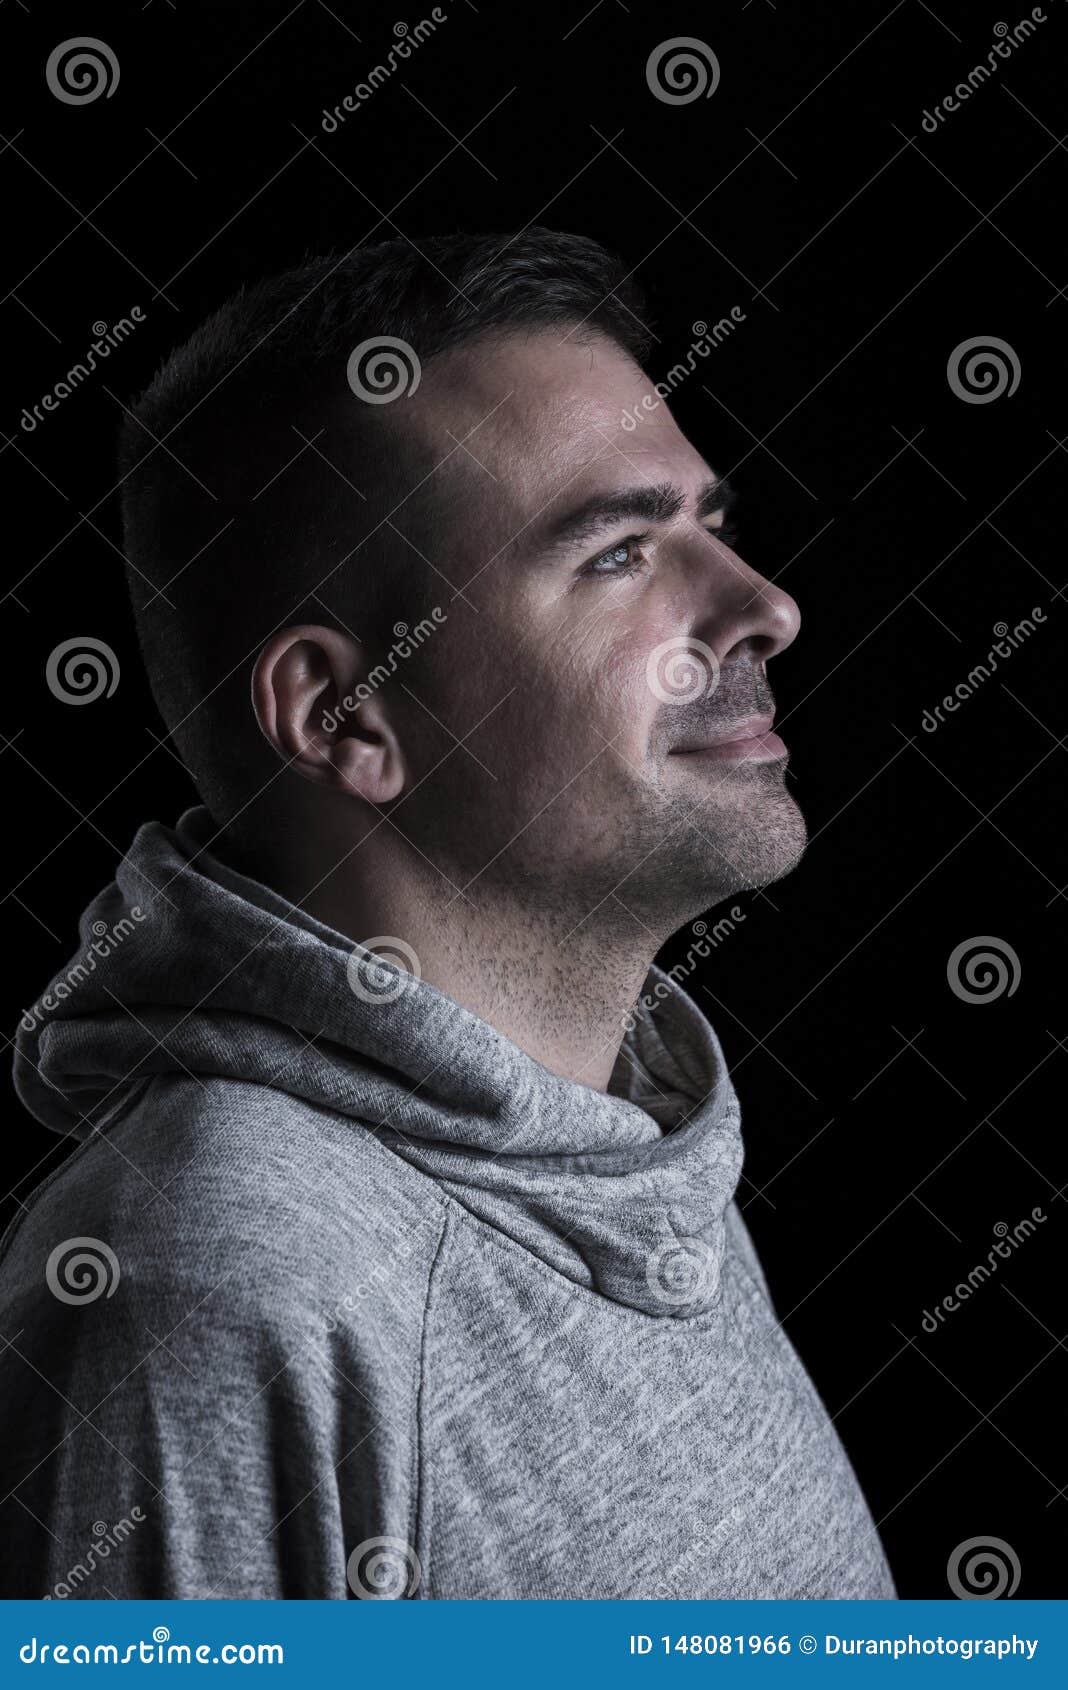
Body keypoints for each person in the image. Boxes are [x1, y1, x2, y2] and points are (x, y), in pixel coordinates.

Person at [1, 229, 894, 1599]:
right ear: (346, 715)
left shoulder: (626, 1147)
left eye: (709, 530)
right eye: (620, 553)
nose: (764, 606)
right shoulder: (222, 1278)